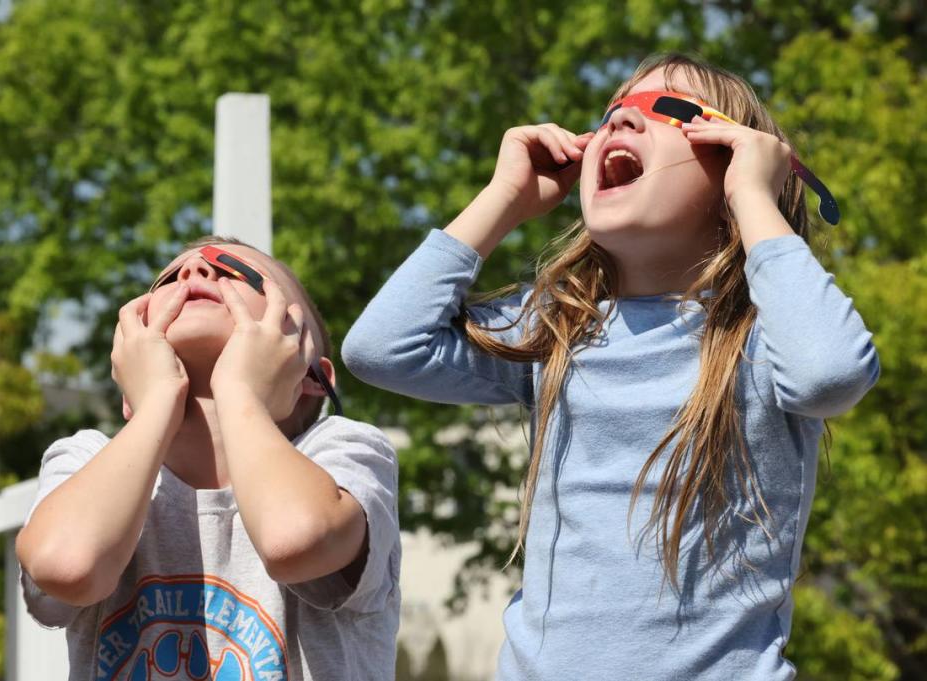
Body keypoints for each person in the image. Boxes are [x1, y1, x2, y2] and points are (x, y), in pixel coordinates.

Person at [341, 53, 880, 679]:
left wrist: (755, 197)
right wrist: (503, 199)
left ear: (735, 160)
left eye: (671, 109)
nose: (622, 117)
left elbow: (832, 374)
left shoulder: (761, 333)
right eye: (611, 113)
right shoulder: (556, 330)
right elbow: (380, 349)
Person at [17, 236, 400, 680]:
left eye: (238, 273)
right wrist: (158, 399)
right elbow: (67, 564)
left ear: (313, 373)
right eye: (167, 280)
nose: (193, 273)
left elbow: (294, 539)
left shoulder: (341, 452)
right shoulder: (85, 459)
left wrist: (239, 391)